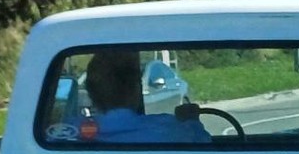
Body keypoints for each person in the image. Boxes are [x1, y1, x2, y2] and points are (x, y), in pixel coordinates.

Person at [50, 47, 210, 145]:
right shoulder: (172, 129)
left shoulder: (65, 134)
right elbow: (205, 148)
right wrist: (192, 120)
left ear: (91, 93)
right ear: (135, 88)